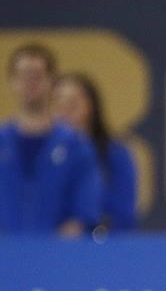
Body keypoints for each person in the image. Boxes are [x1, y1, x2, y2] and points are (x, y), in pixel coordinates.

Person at [0, 43, 101, 235]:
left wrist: (55, 248)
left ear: (52, 81)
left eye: (37, 76)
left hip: (56, 258)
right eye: (24, 76)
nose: (30, 84)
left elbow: (85, 213)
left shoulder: (76, 147)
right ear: (12, 81)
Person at [53, 72, 137, 230]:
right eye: (58, 104)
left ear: (90, 106)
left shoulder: (116, 154)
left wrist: (86, 226)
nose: (64, 112)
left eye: (72, 103)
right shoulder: (46, 158)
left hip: (103, 247)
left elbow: (124, 214)